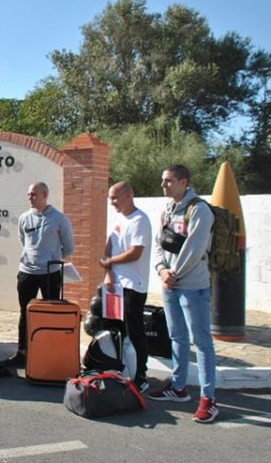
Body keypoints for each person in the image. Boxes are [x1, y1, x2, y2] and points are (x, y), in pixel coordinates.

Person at [148, 164, 219, 423]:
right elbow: (158, 243)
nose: (163, 185)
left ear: (183, 182)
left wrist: (172, 273)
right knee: (177, 337)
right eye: (163, 180)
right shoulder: (167, 209)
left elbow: (194, 248)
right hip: (170, 285)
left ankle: (208, 399)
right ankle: (178, 388)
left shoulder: (199, 210)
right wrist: (161, 270)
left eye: (168, 181)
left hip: (193, 287)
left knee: (202, 343)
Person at [5, 182, 75, 367]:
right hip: (27, 272)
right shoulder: (24, 218)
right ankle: (22, 352)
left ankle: (50, 352)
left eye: (33, 194)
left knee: (51, 314)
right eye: (29, 194)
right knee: (24, 313)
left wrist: (51, 257)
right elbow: (23, 241)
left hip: (50, 273)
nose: (30, 197)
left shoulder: (58, 218)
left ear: (44, 195)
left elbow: (68, 247)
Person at [98, 181, 151, 393]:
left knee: (134, 331)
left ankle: (141, 375)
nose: (111, 202)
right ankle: (122, 369)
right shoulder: (119, 218)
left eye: (115, 197)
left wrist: (111, 262)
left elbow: (135, 252)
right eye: (110, 198)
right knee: (117, 330)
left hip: (133, 286)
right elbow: (109, 247)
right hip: (115, 286)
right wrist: (108, 273)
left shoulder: (140, 220)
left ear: (128, 195)